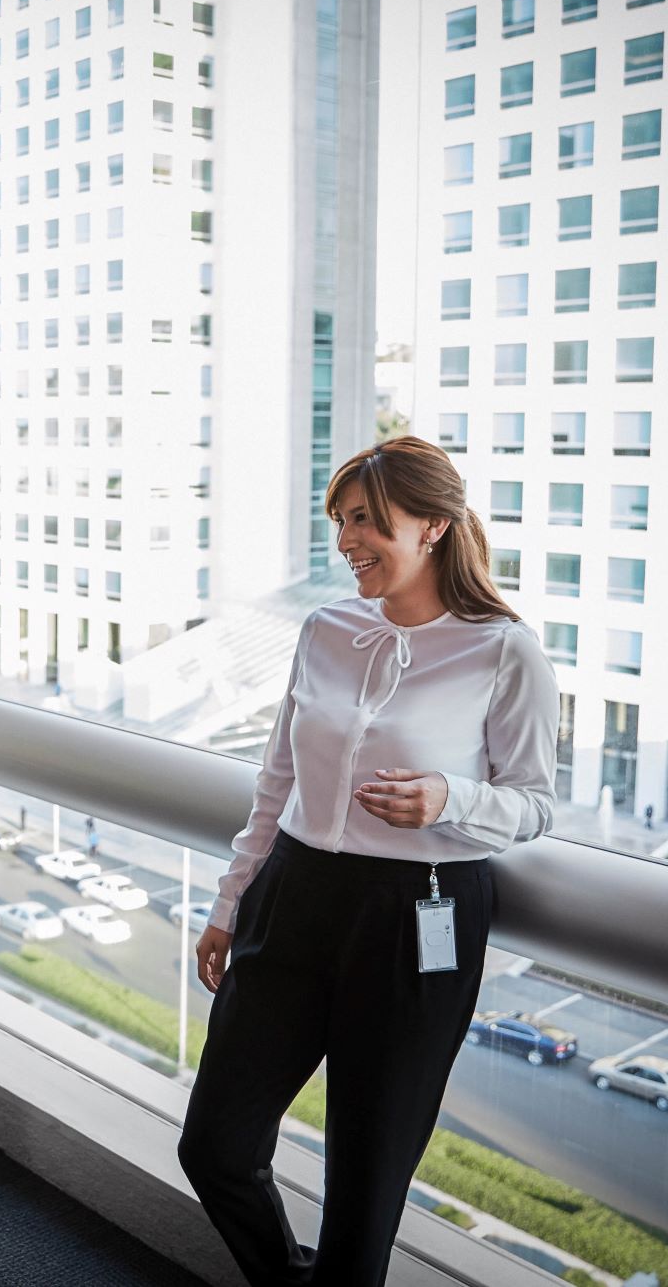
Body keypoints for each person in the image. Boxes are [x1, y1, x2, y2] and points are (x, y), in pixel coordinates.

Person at [177, 436, 558, 1286]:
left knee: (364, 1194)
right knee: (216, 1145)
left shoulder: (505, 650)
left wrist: (449, 799)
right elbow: (275, 783)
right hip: (295, 894)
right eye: (341, 521)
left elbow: (534, 803)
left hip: (418, 916)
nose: (346, 540)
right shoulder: (325, 629)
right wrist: (230, 901)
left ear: (432, 526)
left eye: (366, 521)